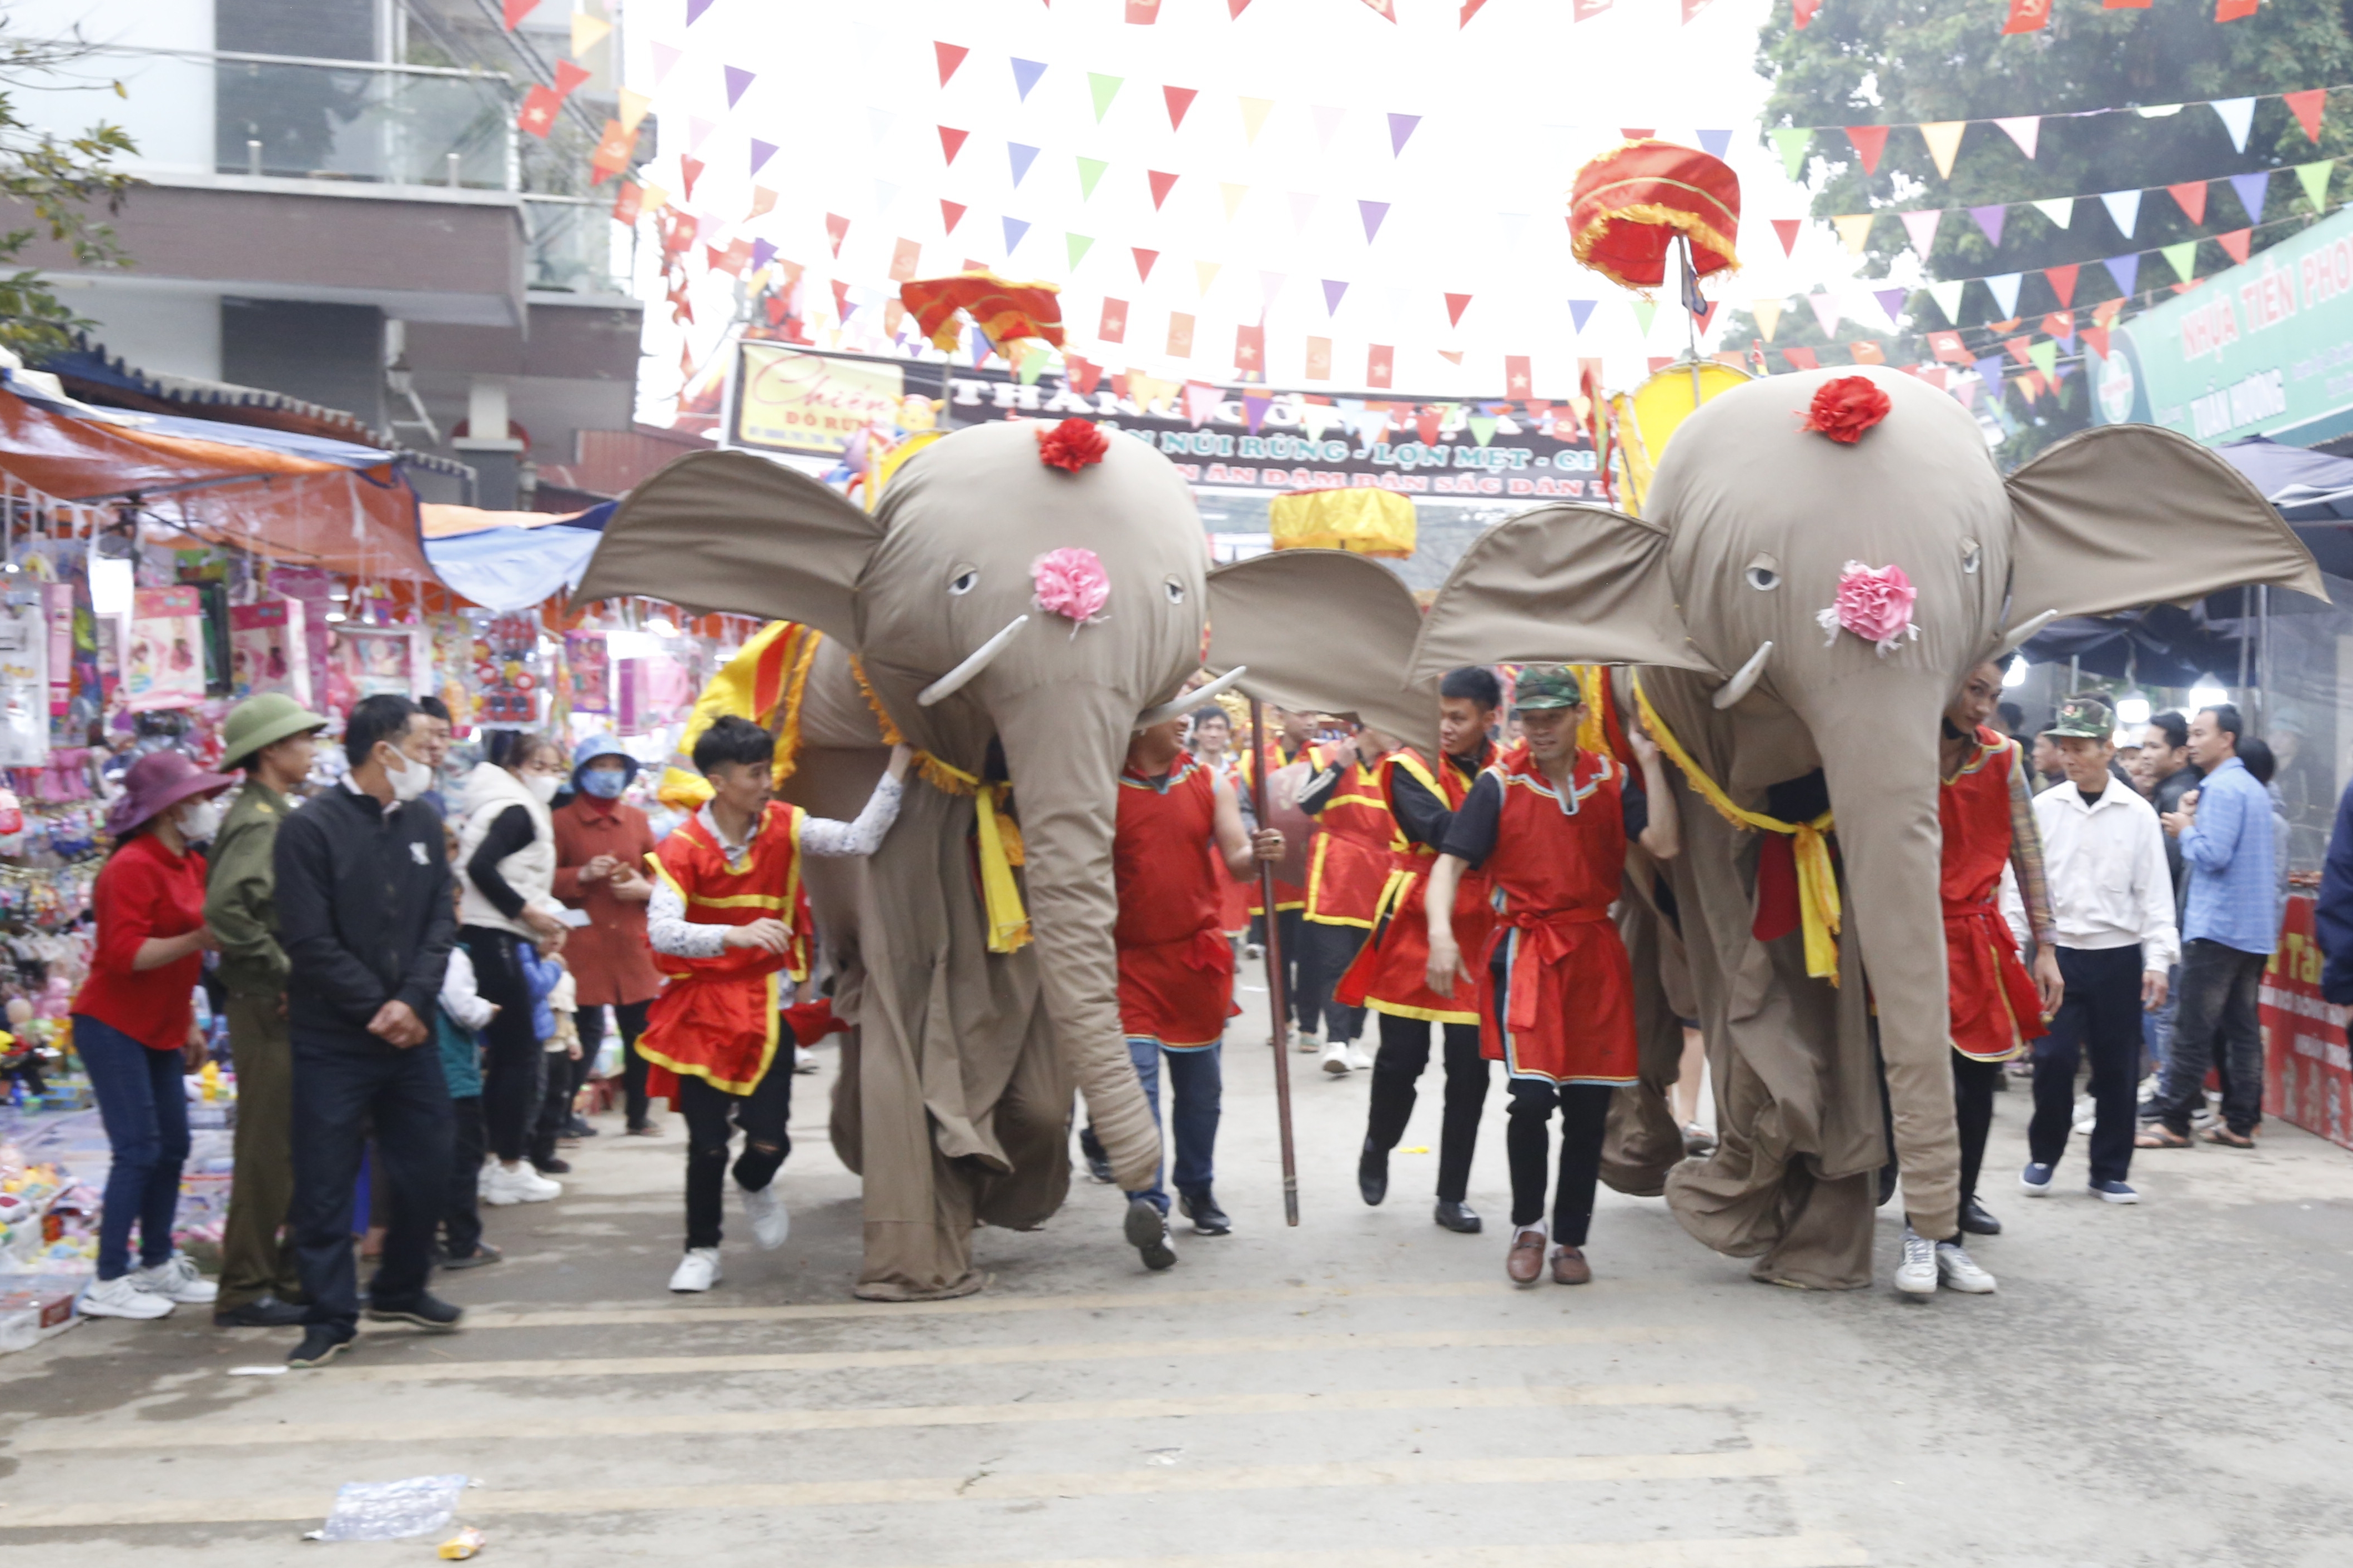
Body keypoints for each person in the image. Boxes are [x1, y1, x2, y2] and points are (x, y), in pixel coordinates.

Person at [1421, 667, 1678, 1287]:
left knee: (1589, 1108)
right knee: (1531, 1097)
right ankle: (1527, 1225)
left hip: (1594, 951)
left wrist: (1651, 760)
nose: (1538, 729)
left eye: (1551, 717)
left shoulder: (1610, 780)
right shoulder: (1498, 783)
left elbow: (1663, 843)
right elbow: (1449, 866)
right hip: (1528, 950)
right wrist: (1439, 935)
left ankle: (1569, 1238)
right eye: (1529, 718)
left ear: (1576, 716)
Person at [642, 715, 911, 1293]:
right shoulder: (682, 846)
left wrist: (898, 764)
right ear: (718, 780)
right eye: (755, 772)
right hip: (701, 1014)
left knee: (770, 1139)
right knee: (706, 1142)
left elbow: (858, 838)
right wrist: (729, 936)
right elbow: (661, 931)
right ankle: (701, 1248)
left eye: (768, 770)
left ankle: (756, 1179)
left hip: (767, 1012)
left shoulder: (786, 826)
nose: (768, 782)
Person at [274, 693, 462, 1367]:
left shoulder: (421, 820)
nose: (433, 754)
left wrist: (411, 1002)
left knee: (430, 1163)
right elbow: (308, 939)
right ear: (383, 750)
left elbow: (442, 922)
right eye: (421, 742)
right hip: (334, 1037)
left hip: (411, 1034)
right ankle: (330, 1314)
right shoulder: (311, 829)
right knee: (325, 1181)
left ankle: (401, 1286)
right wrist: (375, 1008)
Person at [1103, 714, 1285, 1265]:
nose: (1184, 719)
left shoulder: (1210, 781)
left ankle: (1197, 1186)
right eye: (1171, 710)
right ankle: (1148, 1204)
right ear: (1136, 722)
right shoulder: (1101, 785)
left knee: (1200, 1093)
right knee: (1138, 1086)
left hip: (1195, 960)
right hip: (1127, 961)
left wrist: (1259, 853)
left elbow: (1237, 860)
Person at [70, 750, 235, 1320]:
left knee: (172, 1146)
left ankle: (158, 1260)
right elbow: (122, 956)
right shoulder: (131, 867)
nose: (206, 808)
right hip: (111, 1023)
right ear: (170, 809)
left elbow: (183, 951)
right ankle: (107, 1277)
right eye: (197, 799)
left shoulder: (190, 862)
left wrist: (187, 1018)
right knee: (137, 1148)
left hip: (161, 1023)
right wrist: (197, 940)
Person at [1340, 665, 1500, 1235]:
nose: (1446, 726)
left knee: (1470, 1070)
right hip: (1417, 917)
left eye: (1458, 717)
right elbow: (1440, 830)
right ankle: (1378, 1141)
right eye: (1440, 714)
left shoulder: (1506, 768)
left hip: (1483, 922)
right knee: (1399, 1059)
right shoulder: (1405, 766)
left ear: (1489, 718)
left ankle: (1450, 1193)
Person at [1927, 659, 2060, 1287]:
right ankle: (1909, 1199)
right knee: (1898, 1078)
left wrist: (2045, 946)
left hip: (1976, 937)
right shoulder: (1903, 745)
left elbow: (2028, 855)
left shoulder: (2003, 758)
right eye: (1973, 691)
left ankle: (1954, 1211)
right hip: (1908, 938)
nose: (1982, 706)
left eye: (1993, 695)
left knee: (1974, 1085)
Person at [2018, 695, 2176, 1207]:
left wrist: (2157, 961)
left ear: (2109, 748)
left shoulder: (2137, 814)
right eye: (2064, 746)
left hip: (2118, 955)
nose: (2070, 756)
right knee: (2053, 1057)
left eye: (2081, 746)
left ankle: (2109, 1170)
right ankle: (2044, 1153)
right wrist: (2013, 945)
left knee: (2115, 1067)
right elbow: (2021, 885)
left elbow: (2155, 893)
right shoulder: (2043, 809)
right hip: (2056, 955)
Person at [204, 693, 328, 1329]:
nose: (312, 748)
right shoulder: (260, 819)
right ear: (271, 750)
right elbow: (227, 911)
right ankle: (245, 1287)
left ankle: (284, 1274)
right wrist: (283, 970)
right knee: (266, 1148)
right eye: (302, 739)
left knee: (291, 1144)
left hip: (274, 1000)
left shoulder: (274, 811)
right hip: (264, 1001)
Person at [2142, 703, 2276, 1150]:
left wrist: (2184, 829)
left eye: (2201, 734)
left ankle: (2175, 1121)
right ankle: (2241, 1120)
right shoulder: (2252, 788)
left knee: (2191, 1026)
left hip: (2217, 926)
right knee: (2241, 1027)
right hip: (2251, 929)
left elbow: (2214, 855)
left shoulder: (2221, 788)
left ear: (2228, 740)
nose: (2193, 742)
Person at [457, 732, 573, 1205]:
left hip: (493, 935)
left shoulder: (502, 804)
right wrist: (526, 912)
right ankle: (508, 1163)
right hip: (493, 938)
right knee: (520, 1053)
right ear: (516, 766)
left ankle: (494, 1161)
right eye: (539, 765)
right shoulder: (516, 810)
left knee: (510, 1054)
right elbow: (481, 869)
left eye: (555, 767)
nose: (549, 776)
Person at [551, 735, 662, 1135]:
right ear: (583, 773)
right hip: (584, 943)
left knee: (641, 1030)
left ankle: (639, 1114)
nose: (610, 775)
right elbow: (542, 879)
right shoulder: (561, 822)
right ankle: (560, 1116)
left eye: (617, 767)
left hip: (631, 939)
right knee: (584, 1031)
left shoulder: (637, 820)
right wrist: (579, 875)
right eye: (602, 766)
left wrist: (644, 886)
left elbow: (657, 868)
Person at [1294, 724, 1397, 1076]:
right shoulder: (1326, 756)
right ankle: (1336, 1041)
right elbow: (1307, 802)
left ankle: (1353, 1038)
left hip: (1378, 874)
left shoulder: (1396, 764)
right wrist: (1338, 766)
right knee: (1335, 962)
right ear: (1369, 723)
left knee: (1366, 963)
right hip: (1335, 873)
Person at [1238, 708, 1331, 1048]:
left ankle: (1309, 1026)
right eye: (1303, 713)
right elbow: (1244, 806)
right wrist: (1252, 832)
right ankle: (1283, 1021)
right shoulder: (1255, 759)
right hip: (1273, 875)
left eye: (1315, 715)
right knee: (1277, 955)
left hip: (1313, 874)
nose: (1311, 722)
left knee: (1312, 956)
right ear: (1281, 714)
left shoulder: (1326, 758)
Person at [435, 871, 501, 1269]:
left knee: (426, 1160)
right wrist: (487, 1010)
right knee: (464, 1158)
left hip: (422, 1072)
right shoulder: (451, 955)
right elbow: (462, 1007)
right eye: (458, 904)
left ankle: (425, 1241)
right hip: (454, 1074)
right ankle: (464, 1242)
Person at [2140, 710, 2196, 1087]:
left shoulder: (2177, 796)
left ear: (2179, 754)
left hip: (2172, 923)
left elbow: (2163, 869)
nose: (2145, 754)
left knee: (2162, 1007)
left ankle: (2164, 1085)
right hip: (2176, 923)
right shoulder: (2169, 791)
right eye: (2143, 745)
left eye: (2153, 746)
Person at [415, 695, 455, 816]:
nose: (435, 745)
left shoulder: (442, 794)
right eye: (427, 735)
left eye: (442, 736)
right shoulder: (404, 796)